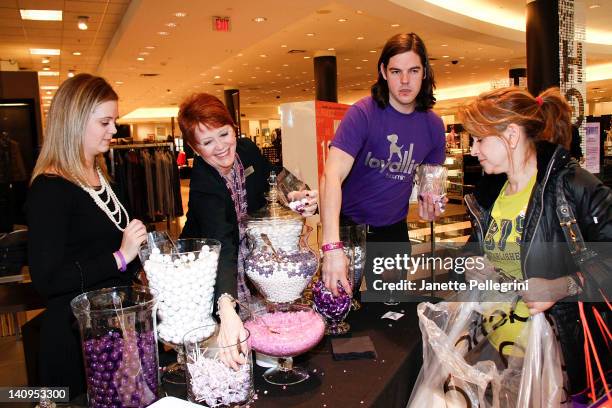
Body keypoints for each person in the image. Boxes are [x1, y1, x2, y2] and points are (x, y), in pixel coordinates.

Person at [459, 86, 611, 393]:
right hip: (497, 358)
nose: (474, 150)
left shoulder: (571, 187)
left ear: (511, 136)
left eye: (480, 139)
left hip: (557, 364)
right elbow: (478, 254)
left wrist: (563, 286)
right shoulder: (490, 194)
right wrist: (472, 263)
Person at [27, 74, 147, 394]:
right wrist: (120, 257)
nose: (114, 129)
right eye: (105, 121)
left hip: (115, 331)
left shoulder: (102, 176)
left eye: (114, 120)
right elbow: (48, 280)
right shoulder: (50, 190)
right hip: (77, 341)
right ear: (75, 121)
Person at [178, 93, 318, 365]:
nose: (220, 147)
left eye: (224, 133)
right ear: (195, 148)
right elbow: (222, 245)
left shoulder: (246, 149)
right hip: (211, 268)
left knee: (265, 337)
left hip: (252, 253)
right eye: (207, 142)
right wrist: (226, 306)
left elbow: (274, 173)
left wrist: (298, 192)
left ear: (234, 128)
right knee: (227, 348)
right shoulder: (204, 183)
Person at [320, 32, 446, 297]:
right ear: (383, 71)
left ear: (425, 72)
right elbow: (331, 175)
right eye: (396, 71)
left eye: (413, 70)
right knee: (341, 307)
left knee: (390, 311)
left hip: (392, 230)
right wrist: (331, 245)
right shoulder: (363, 113)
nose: (404, 81)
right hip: (349, 227)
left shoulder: (433, 126)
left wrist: (430, 203)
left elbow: (430, 183)